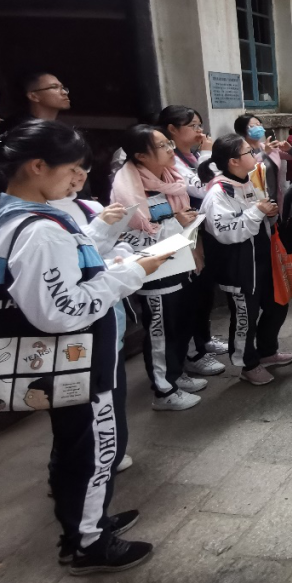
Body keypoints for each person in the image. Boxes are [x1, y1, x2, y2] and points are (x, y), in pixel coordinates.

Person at [0, 119, 173, 574]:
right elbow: (63, 310)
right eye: (73, 169)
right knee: (95, 449)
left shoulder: (17, 213)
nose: (80, 179)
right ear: (37, 166)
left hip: (70, 360)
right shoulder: (39, 228)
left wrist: (105, 256)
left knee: (77, 446)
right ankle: (87, 543)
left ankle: (86, 522)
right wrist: (133, 272)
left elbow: (64, 272)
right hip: (78, 359)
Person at [49, 155, 136, 476]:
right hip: (74, 326)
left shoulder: (89, 206)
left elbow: (112, 247)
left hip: (108, 313)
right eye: (70, 168)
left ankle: (109, 455)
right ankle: (79, 474)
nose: (78, 176)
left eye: (83, 168)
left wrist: (122, 256)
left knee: (112, 391)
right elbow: (69, 264)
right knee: (77, 407)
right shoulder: (40, 220)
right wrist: (100, 229)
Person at [112, 126, 205, 410]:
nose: (170, 150)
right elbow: (132, 236)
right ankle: (164, 392)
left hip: (179, 262)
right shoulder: (128, 189)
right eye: (162, 146)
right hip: (155, 271)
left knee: (179, 325)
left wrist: (183, 224)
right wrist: (175, 221)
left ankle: (176, 374)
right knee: (160, 332)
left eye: (168, 143)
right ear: (141, 155)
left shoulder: (170, 177)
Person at [200, 135, 292, 385]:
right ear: (233, 161)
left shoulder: (249, 181)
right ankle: (247, 364)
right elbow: (225, 232)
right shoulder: (218, 192)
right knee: (245, 316)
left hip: (262, 258)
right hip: (239, 266)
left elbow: (258, 211)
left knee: (277, 304)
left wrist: (268, 211)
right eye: (248, 152)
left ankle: (267, 351)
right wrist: (258, 211)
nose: (254, 155)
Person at [158, 105, 227, 378]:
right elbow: (201, 186)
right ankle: (192, 354)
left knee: (204, 291)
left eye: (200, 125)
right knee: (190, 296)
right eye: (193, 126)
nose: (199, 131)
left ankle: (203, 339)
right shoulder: (173, 161)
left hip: (201, 231)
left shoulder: (193, 155)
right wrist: (208, 155)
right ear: (172, 129)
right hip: (183, 234)